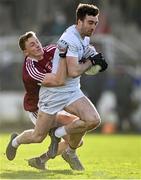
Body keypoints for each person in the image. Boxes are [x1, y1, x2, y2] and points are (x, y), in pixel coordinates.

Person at [38, 3, 107, 169]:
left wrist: (94, 55)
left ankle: (66, 148)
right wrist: (92, 62)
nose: (93, 26)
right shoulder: (69, 39)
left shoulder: (83, 37)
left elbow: (84, 49)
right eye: (90, 22)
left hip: (71, 90)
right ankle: (16, 142)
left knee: (93, 120)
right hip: (55, 92)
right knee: (36, 136)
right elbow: (74, 70)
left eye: (95, 23)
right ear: (79, 21)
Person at [6, 31, 83, 170]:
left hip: (56, 104)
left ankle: (41, 160)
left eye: (37, 42)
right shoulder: (30, 69)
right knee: (38, 137)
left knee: (76, 141)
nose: (37, 46)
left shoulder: (52, 50)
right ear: (26, 52)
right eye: (32, 45)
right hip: (39, 108)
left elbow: (71, 56)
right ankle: (15, 142)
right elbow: (57, 81)